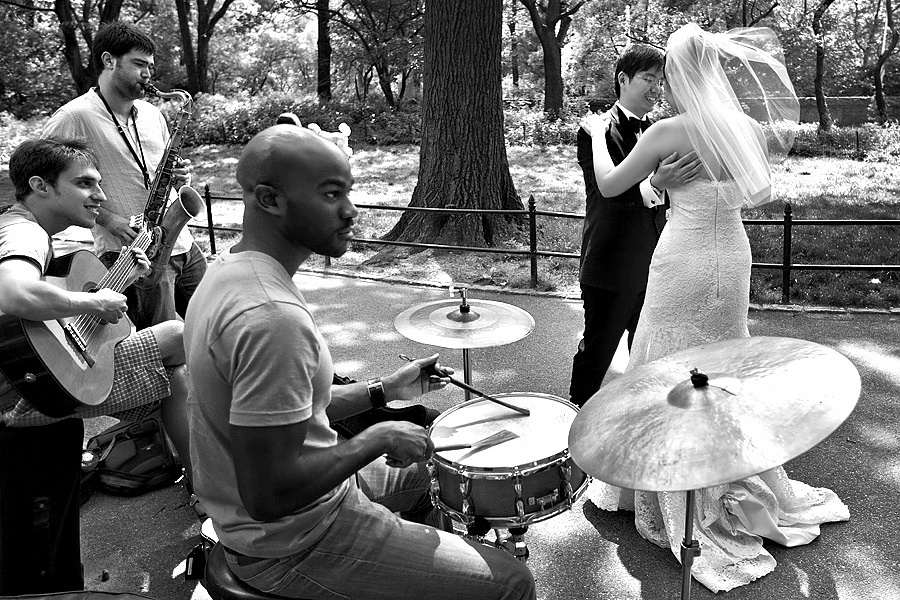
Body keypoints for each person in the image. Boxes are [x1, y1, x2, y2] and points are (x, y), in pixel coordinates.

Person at [183, 125, 536, 600]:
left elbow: (292, 413)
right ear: (269, 199)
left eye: (349, 192)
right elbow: (269, 497)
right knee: (512, 581)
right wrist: (378, 436)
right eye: (332, 194)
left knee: (442, 468)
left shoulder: (230, 270)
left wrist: (384, 392)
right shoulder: (271, 318)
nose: (351, 212)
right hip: (290, 541)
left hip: (301, 510)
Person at [580, 24, 850, 592]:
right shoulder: (745, 128)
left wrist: (632, 160)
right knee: (726, 370)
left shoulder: (663, 132)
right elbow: (757, 192)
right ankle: (736, 477)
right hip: (734, 255)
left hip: (682, 255)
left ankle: (670, 489)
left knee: (663, 365)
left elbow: (608, 187)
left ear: (679, 76)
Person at [0, 138, 191, 593]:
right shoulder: (22, 231)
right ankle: (211, 487)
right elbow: (14, 294)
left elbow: (55, 305)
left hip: (30, 377)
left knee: (173, 362)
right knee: (179, 338)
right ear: (39, 185)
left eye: (100, 184)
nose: (100, 196)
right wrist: (93, 300)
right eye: (85, 183)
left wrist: (118, 277)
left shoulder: (31, 232)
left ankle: (179, 464)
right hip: (21, 395)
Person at [42, 20, 206, 330]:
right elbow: (47, 184)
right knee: (162, 348)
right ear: (108, 61)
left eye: (150, 66)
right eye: (139, 64)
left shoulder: (153, 114)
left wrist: (179, 176)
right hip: (129, 255)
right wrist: (111, 221)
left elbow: (157, 171)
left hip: (181, 242)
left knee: (221, 327)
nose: (148, 74)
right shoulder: (73, 117)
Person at [568, 43, 702, 407]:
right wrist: (657, 182)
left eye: (661, 82)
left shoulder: (662, 130)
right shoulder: (594, 129)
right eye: (648, 79)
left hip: (656, 262)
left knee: (647, 357)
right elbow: (607, 191)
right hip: (610, 261)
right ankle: (575, 421)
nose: (656, 90)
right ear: (623, 78)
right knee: (596, 353)